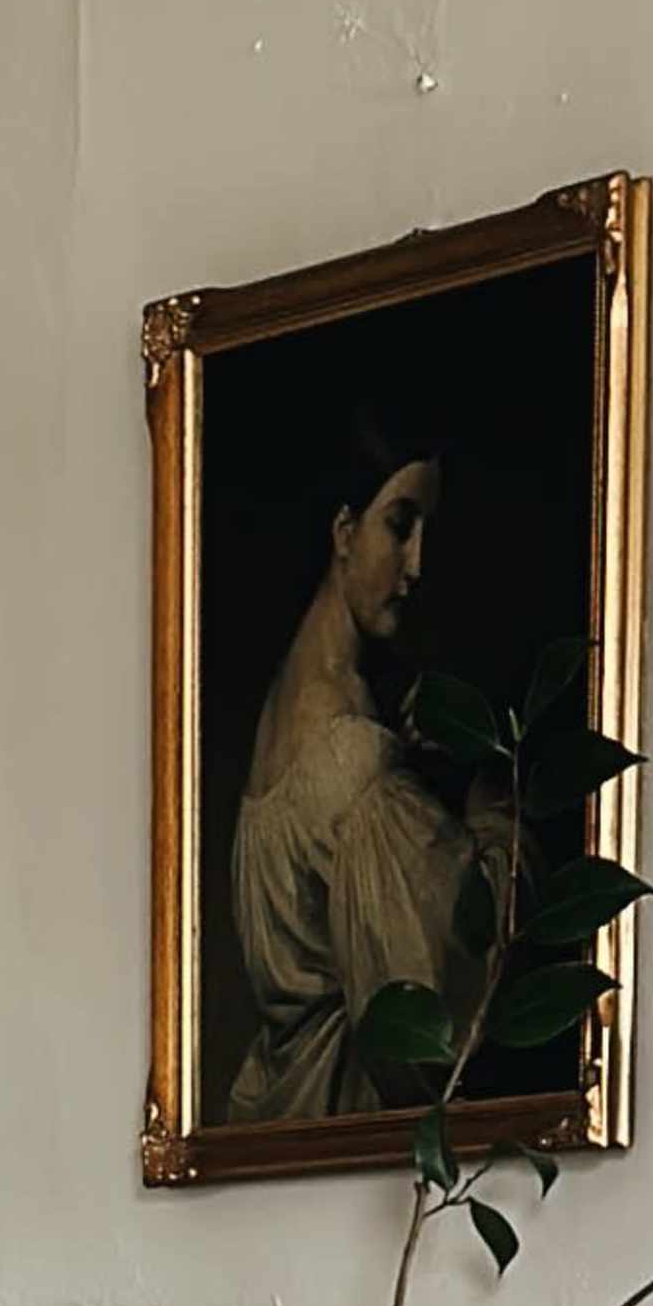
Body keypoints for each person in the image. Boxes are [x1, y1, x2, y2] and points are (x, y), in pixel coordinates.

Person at [224, 391, 494, 1124]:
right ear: (344, 530)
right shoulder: (350, 752)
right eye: (399, 526)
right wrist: (485, 810)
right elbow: (428, 1025)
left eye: (425, 532)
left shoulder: (287, 705)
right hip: (340, 1120)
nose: (417, 565)